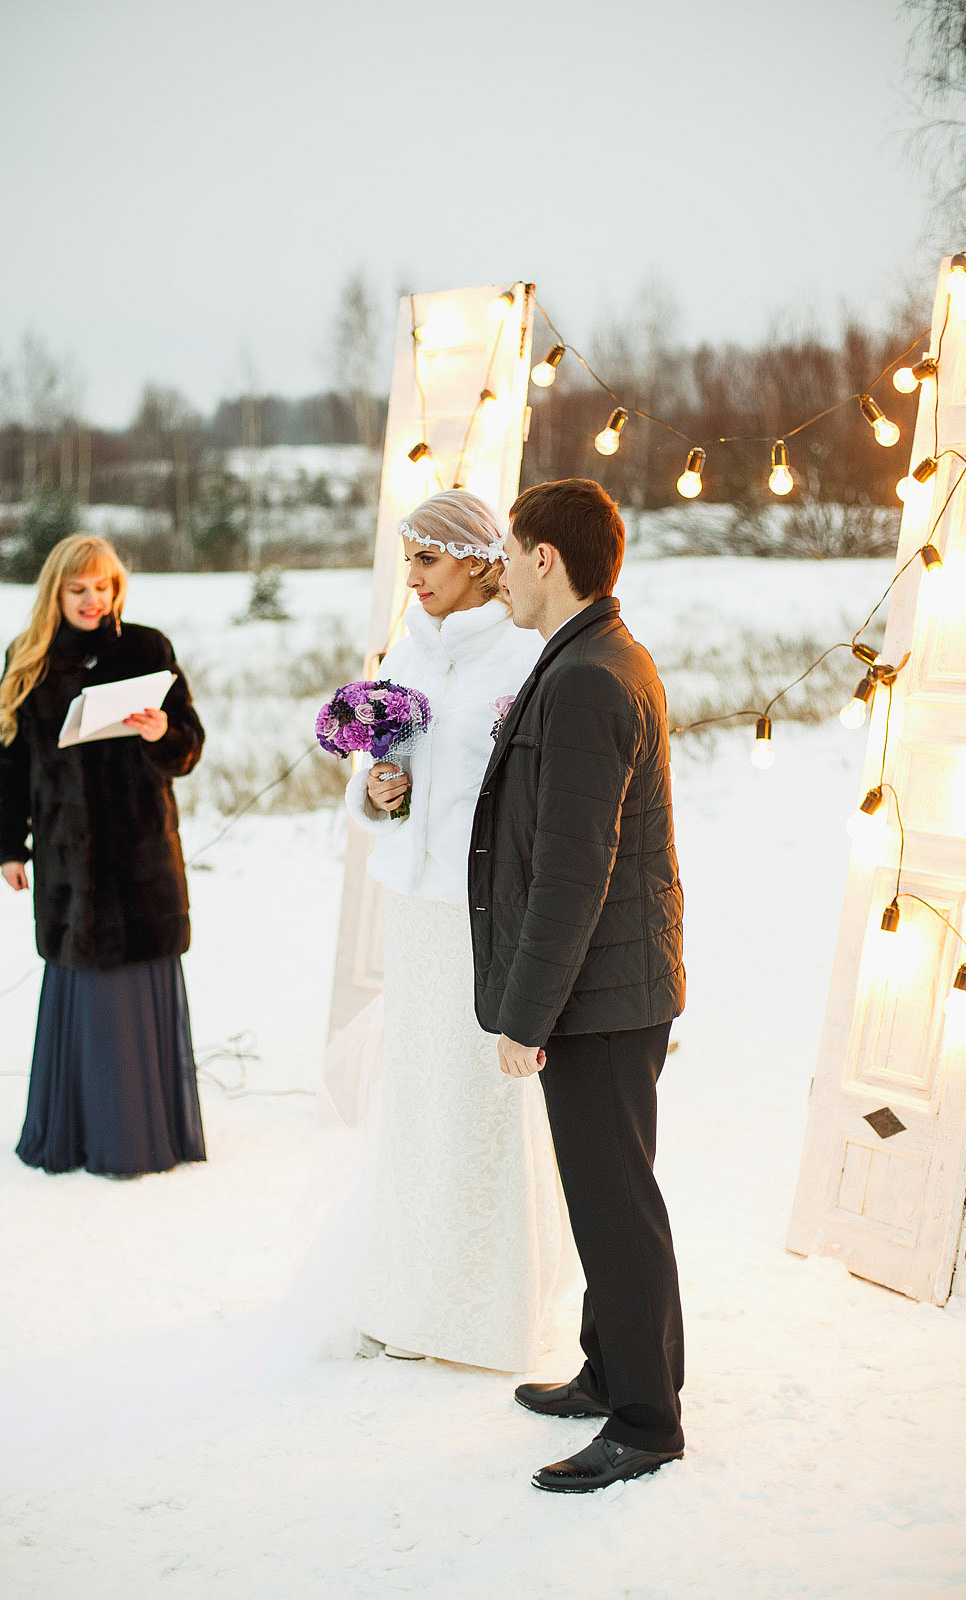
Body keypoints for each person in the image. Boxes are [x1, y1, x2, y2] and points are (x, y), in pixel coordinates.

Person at [468, 478, 686, 1492]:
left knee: (614, 1205)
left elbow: (571, 872)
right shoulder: (591, 655)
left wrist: (524, 1014)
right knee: (606, 1195)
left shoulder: (591, 676)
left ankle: (644, 1421)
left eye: (509, 557)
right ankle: (609, 1372)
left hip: (600, 994)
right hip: (609, 986)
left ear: (545, 559)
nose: (500, 577)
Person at [344, 488, 571, 1370]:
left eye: (427, 559)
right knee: (417, 1102)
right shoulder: (405, 650)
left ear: (480, 563)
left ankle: (481, 1313)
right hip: (415, 914)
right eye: (408, 559)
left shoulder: (524, 657)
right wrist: (377, 791)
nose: (412, 576)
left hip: (486, 919)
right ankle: (408, 1296)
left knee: (482, 1103)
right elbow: (374, 776)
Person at [0, 534, 207, 1178]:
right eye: (77, 589)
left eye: (102, 587)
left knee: (139, 977)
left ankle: (142, 1134)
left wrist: (162, 732)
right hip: (68, 859)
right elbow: (9, 765)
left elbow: (188, 746)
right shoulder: (29, 659)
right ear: (55, 592)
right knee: (83, 981)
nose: (92, 600)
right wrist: (8, 844)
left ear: (117, 589)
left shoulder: (147, 648)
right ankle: (80, 1131)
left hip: (142, 853)